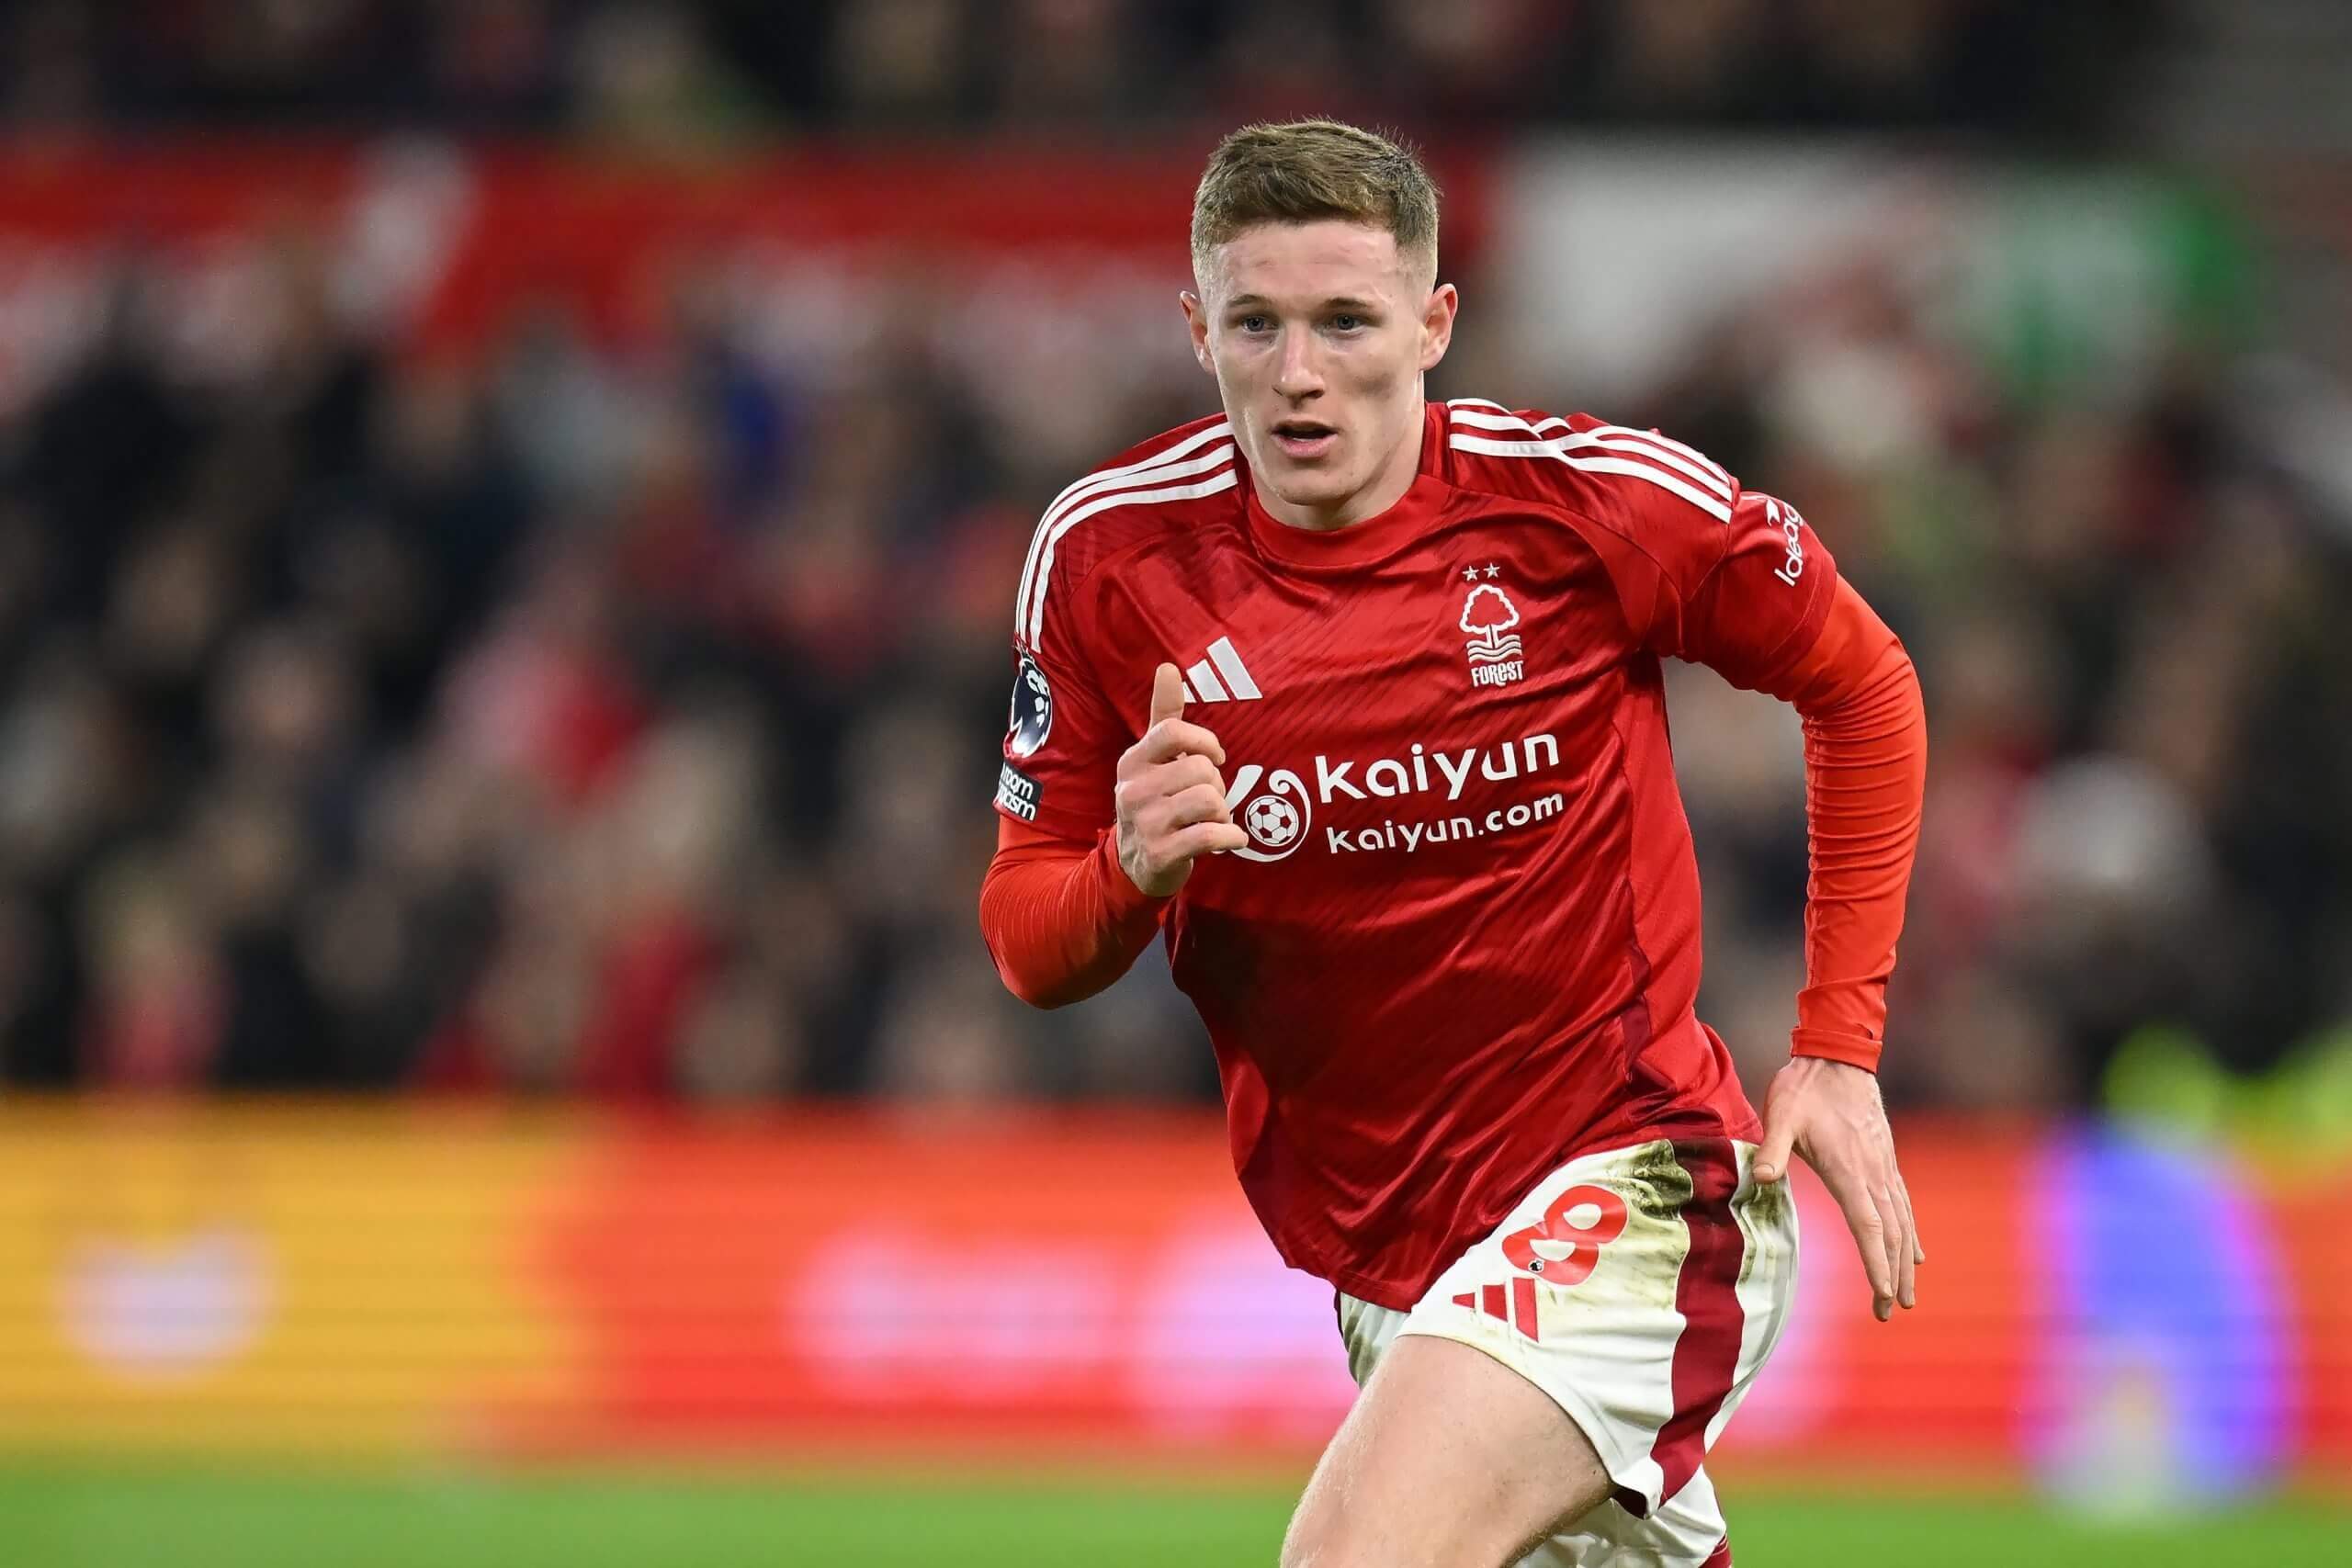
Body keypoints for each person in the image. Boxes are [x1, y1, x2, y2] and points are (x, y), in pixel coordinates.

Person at [978, 118, 1928, 1568]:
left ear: (1434, 325)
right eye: (1259, 325)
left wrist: (1840, 1043)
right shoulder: (1110, 559)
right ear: (1196, 329)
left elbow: (1862, 681)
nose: (1301, 375)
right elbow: (1025, 936)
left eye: (1348, 322)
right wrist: (1130, 871)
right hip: (1393, 1257)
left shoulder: (1587, 506)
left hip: (1639, 1185)